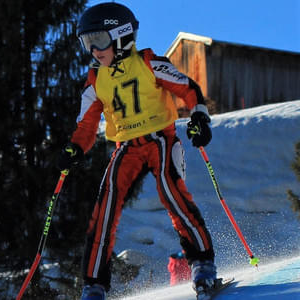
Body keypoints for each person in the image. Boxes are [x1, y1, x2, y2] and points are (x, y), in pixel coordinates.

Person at [57, 3, 217, 299]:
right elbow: (87, 123)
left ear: (120, 36)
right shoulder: (95, 80)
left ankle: (202, 263)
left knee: (172, 192)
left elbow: (188, 87)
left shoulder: (147, 62)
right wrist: (75, 147)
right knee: (105, 208)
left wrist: (198, 116)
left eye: (98, 41)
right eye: (87, 43)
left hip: (161, 140)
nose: (93, 51)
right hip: (126, 148)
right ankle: (93, 284)